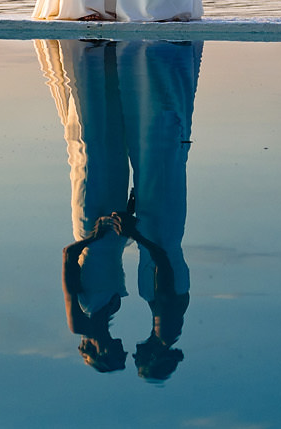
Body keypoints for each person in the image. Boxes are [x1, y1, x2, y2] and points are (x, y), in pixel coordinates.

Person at [37, 38, 200, 381]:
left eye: (120, 356)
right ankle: (122, 59)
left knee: (95, 152)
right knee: (134, 153)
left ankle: (96, 59)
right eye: (136, 359)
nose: (129, 351)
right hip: (146, 230)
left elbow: (69, 257)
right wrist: (134, 231)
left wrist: (104, 235)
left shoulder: (82, 320)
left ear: (100, 352)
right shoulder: (166, 324)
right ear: (154, 355)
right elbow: (165, 267)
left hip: (97, 229)